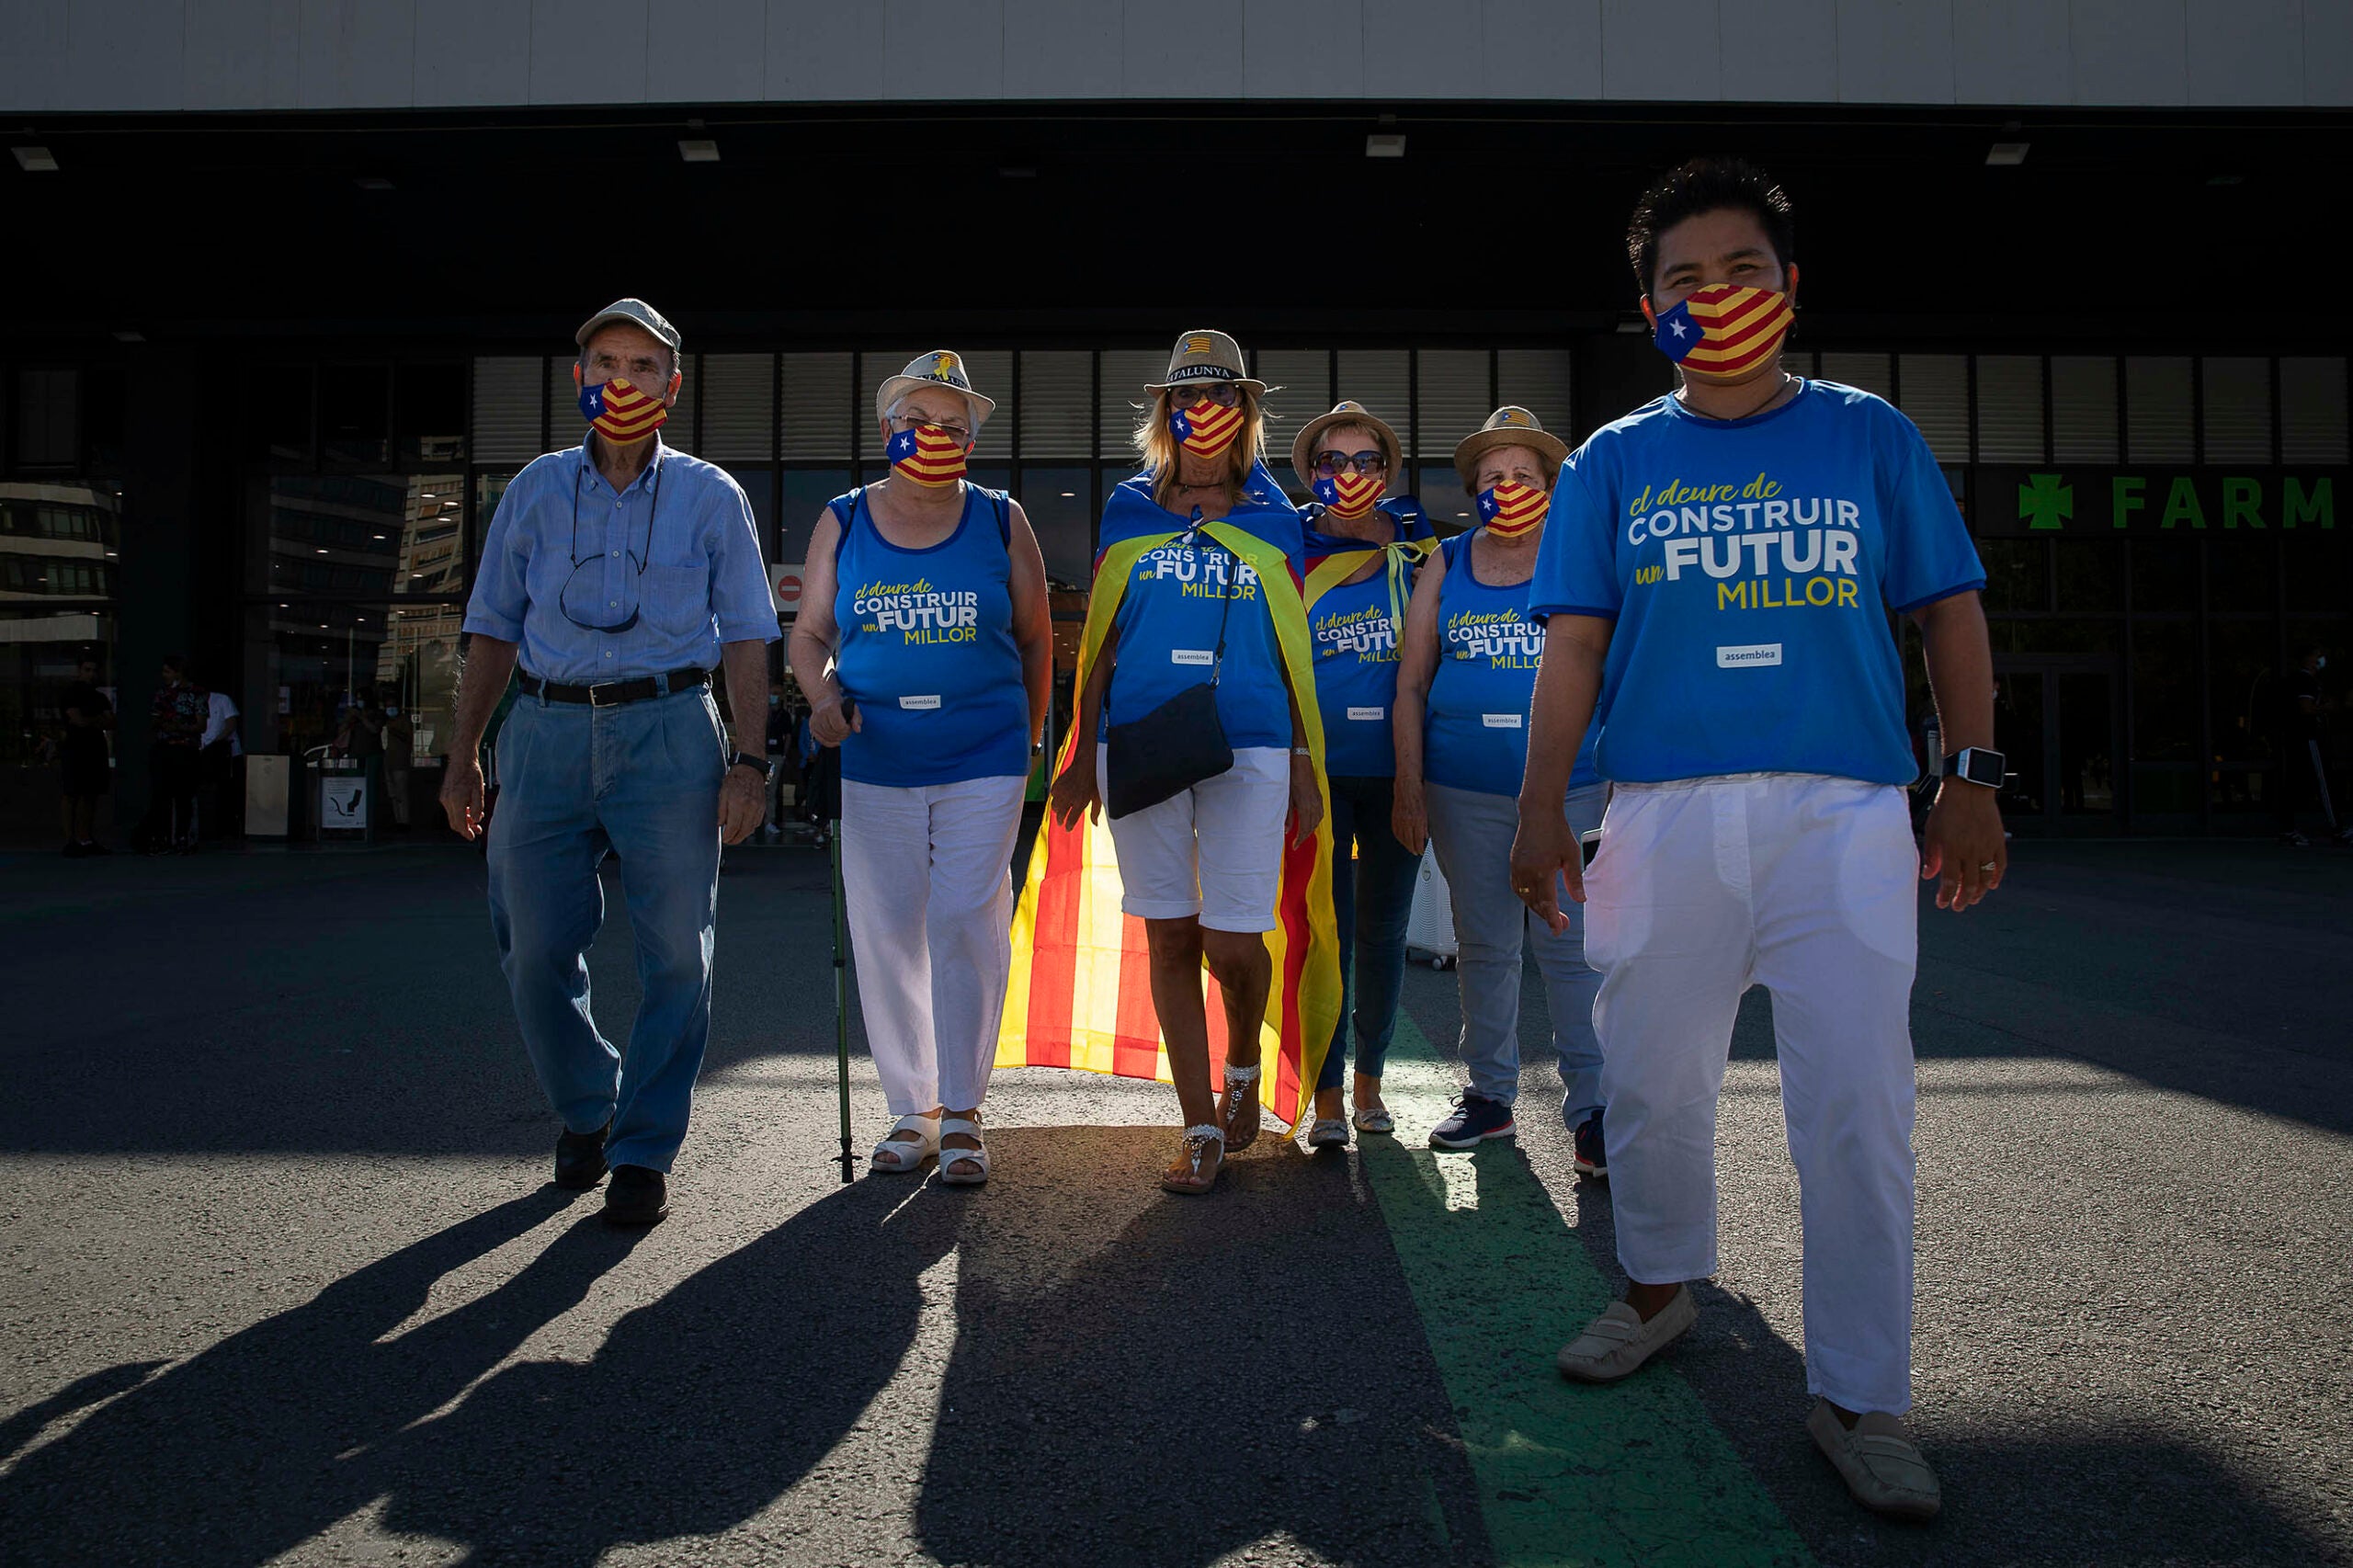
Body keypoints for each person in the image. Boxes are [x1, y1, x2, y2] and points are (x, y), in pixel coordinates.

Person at [1510, 159, 2004, 1522]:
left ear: (1790, 290)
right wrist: (1545, 801)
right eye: (1682, 280)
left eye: (1739, 272)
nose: (1712, 297)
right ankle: (1659, 1290)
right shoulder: (1615, 458)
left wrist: (1969, 775)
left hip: (1842, 814)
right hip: (1660, 812)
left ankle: (1859, 1394)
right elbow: (1574, 644)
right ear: (1646, 305)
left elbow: (1949, 611)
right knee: (1652, 1079)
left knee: (1857, 1104)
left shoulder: (1868, 436)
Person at [443, 297, 779, 1227]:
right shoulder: (535, 489)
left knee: (677, 950)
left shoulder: (712, 495)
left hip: (671, 727)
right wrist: (463, 752)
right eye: (605, 363)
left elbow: (750, 634)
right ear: (578, 377)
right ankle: (589, 1103)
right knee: (535, 944)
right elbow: (489, 627)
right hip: (543, 733)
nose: (621, 381)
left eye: (642, 366)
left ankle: (640, 1146)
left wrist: (749, 761)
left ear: (673, 384)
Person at [1047, 329, 1322, 1193]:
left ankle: (1246, 1062)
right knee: (1168, 929)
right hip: (1138, 740)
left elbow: (1293, 647)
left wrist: (1309, 759)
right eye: (1185, 397)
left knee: (1237, 936)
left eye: (1220, 398)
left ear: (1245, 413)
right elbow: (1101, 639)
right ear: (1164, 411)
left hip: (1254, 741)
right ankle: (1199, 1123)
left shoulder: (1277, 515)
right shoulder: (1129, 506)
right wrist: (1078, 749)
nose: (1201, 412)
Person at [790, 352, 1052, 1184]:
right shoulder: (844, 518)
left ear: (971, 439)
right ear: (886, 429)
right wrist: (819, 698)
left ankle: (965, 1111)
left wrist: (1032, 735)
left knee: (965, 917)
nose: (933, 436)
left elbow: (1039, 635)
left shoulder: (1003, 519)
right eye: (918, 422)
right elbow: (809, 635)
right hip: (876, 754)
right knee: (888, 926)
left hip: (986, 751)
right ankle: (913, 1108)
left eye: (952, 426)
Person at [1392, 408, 1608, 1167]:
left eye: (1522, 476)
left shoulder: (1582, 558)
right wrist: (1410, 785)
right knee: (1485, 946)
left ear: (1549, 486)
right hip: (1464, 793)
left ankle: (1594, 1112)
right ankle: (1490, 1098)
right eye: (1492, 478)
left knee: (1572, 949)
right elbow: (1413, 682)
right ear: (1473, 489)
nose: (1507, 488)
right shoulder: (1447, 561)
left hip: (1575, 789)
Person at [1291, 402, 1435, 1148]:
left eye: (1365, 462)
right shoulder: (1291, 544)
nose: (1349, 476)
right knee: (1324, 936)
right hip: (1318, 774)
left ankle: (1371, 1087)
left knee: (1383, 932)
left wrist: (1418, 780)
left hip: (1400, 776)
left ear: (1388, 470)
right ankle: (1325, 1100)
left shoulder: (1419, 545)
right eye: (1333, 462)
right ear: (1312, 471)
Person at [135, 655, 207, 854]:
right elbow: (154, 719)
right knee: (161, 795)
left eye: (168, 671)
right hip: (164, 748)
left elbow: (201, 725)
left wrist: (180, 727)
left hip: (186, 749)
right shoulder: (162, 694)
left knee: (184, 794)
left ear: (178, 673)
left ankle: (183, 837)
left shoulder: (197, 694)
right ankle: (161, 837)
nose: (164, 676)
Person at [2278, 645, 2344, 846]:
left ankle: (2288, 830)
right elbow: (2306, 709)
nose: (2321, 658)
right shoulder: (2305, 681)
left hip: (2297, 738)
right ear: (2308, 659)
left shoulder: (2301, 680)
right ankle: (2338, 830)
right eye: (2317, 655)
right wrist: (2325, 708)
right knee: (2324, 781)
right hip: (2308, 738)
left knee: (2294, 784)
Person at [58, 656, 114, 858]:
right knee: (72, 793)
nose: (91, 674)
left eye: (94, 670)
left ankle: (85, 838)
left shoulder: (99, 697)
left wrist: (91, 721)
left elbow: (110, 722)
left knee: (91, 794)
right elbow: (78, 720)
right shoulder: (71, 694)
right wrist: (96, 720)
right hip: (75, 748)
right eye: (87, 669)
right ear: (79, 671)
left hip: (94, 748)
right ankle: (71, 839)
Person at [381, 698, 415, 830]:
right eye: (388, 707)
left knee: (401, 793)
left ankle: (404, 822)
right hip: (388, 762)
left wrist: (393, 730)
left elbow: (407, 738)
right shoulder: (386, 722)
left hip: (401, 763)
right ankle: (397, 820)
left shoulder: (404, 721)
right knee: (393, 794)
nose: (390, 709)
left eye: (393, 706)